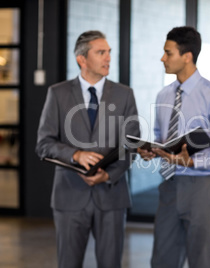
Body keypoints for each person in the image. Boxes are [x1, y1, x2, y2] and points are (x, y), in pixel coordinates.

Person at [36, 30, 140, 268]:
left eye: (109, 52)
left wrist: (110, 174)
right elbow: (44, 144)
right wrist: (75, 154)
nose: (108, 58)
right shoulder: (57, 93)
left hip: (112, 196)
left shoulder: (125, 95)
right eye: (101, 52)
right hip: (69, 197)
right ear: (82, 59)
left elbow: (132, 145)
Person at [136, 26, 210, 268]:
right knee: (162, 260)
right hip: (169, 187)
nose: (163, 58)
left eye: (168, 53)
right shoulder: (163, 95)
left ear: (187, 56)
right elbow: (161, 136)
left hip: (202, 189)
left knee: (200, 261)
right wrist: (152, 150)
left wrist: (192, 161)